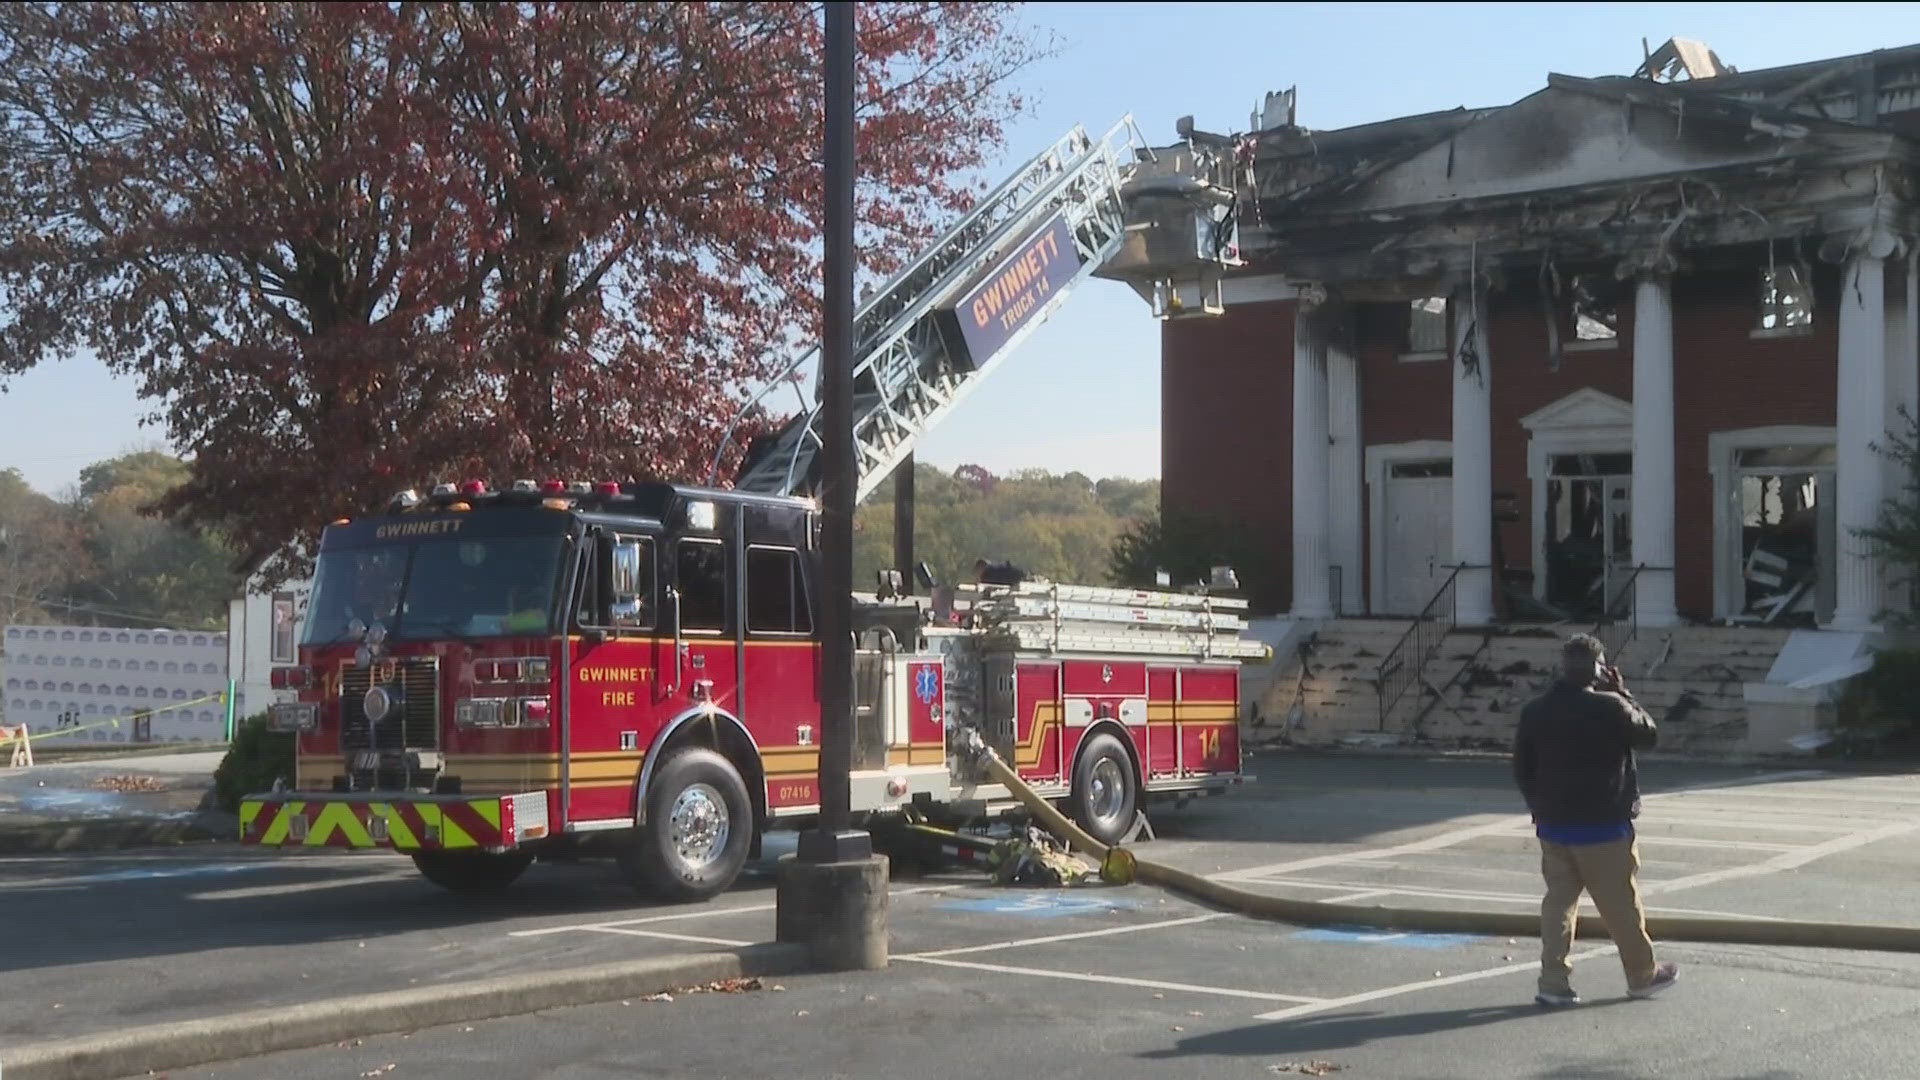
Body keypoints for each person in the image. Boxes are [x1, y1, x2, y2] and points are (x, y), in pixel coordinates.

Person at [1513, 633, 1678, 1006]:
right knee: (1621, 905)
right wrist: (1623, 693)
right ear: (1599, 668)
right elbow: (1648, 736)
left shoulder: (1536, 710)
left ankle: (1552, 982)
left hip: (1554, 825)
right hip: (1603, 825)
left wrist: (1539, 806)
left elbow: (1522, 767)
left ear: (1563, 665)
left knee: (1558, 904)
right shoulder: (1610, 707)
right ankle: (1641, 975)